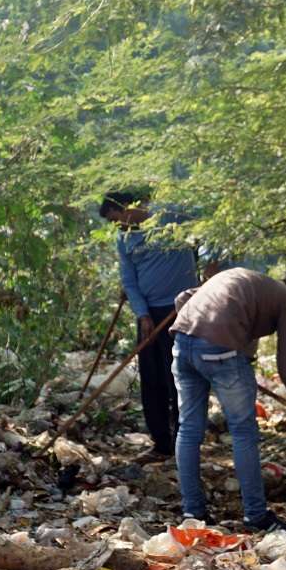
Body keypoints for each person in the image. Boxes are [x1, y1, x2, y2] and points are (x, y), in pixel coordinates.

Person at [169, 268, 286, 531]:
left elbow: (182, 298)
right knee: (243, 432)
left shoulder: (250, 283)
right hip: (219, 351)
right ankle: (256, 515)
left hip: (182, 344)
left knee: (188, 429)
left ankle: (193, 513)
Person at [100, 192, 199, 464]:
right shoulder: (125, 239)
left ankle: (185, 442)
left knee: (180, 376)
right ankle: (161, 443)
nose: (117, 226)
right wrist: (142, 314)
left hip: (182, 310)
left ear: (127, 207)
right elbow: (129, 281)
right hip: (150, 315)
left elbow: (200, 227)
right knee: (152, 378)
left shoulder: (170, 217)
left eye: (115, 218)